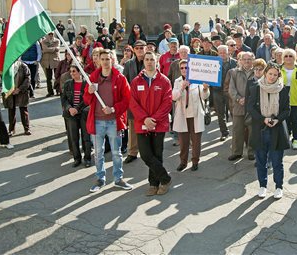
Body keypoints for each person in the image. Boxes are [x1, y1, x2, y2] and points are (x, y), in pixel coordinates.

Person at [84, 49, 133, 193]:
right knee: (98, 153)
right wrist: (89, 92)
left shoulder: (120, 78)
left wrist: (113, 109)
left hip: (113, 121)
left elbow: (127, 99)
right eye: (103, 59)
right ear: (98, 60)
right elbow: (86, 101)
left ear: (112, 60)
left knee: (116, 153)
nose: (105, 62)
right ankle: (100, 179)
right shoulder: (93, 78)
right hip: (97, 121)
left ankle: (118, 179)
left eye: (108, 59)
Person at [129, 51, 173, 196]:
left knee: (157, 154)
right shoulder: (136, 81)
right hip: (142, 124)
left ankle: (154, 184)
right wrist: (145, 119)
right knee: (146, 155)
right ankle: (165, 178)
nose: (149, 62)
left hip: (158, 124)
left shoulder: (164, 81)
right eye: (147, 59)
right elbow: (133, 103)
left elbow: (167, 103)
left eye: (152, 60)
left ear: (157, 62)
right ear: (144, 62)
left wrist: (153, 119)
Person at [247, 63, 290, 199]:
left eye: (275, 75)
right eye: (270, 74)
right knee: (261, 160)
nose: (272, 77)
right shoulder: (256, 87)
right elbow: (251, 107)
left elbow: (287, 110)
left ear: (279, 76)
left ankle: (278, 187)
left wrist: (277, 119)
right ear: (265, 73)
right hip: (261, 128)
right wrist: (262, 119)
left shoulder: (283, 89)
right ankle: (262, 186)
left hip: (277, 129)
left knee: (277, 161)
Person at [172, 60, 210, 171]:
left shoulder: (198, 80)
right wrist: (182, 87)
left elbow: (204, 96)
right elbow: (174, 97)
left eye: (186, 68)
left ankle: (195, 161)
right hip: (183, 116)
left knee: (196, 141)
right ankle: (183, 162)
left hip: (195, 115)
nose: (184, 70)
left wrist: (205, 88)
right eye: (182, 68)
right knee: (183, 142)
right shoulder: (178, 81)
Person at [61, 65, 92, 167]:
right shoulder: (68, 84)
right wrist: (70, 108)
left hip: (83, 113)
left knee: (86, 137)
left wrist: (77, 109)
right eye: (70, 71)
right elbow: (64, 99)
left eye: (74, 71)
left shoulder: (87, 83)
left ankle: (87, 158)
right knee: (73, 138)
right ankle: (76, 158)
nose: (72, 73)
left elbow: (87, 100)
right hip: (71, 114)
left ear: (80, 72)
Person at [227, 51, 255, 160]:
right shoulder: (234, 72)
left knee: (252, 130)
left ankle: (252, 152)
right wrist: (238, 98)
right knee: (237, 130)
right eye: (245, 59)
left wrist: (249, 100)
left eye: (249, 59)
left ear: (253, 60)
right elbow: (231, 89)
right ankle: (237, 152)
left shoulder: (257, 72)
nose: (247, 61)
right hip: (238, 105)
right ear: (241, 60)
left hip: (252, 107)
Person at [280, 49, 297, 150]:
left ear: (294, 57)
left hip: (296, 100)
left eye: (290, 56)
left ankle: (295, 140)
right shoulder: (279, 69)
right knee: (284, 121)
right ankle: (285, 139)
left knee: (295, 121)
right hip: (281, 101)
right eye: (286, 56)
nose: (288, 58)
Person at [212, 45, 236, 141]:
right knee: (220, 114)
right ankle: (224, 132)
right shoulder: (213, 63)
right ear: (218, 53)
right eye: (220, 52)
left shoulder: (234, 63)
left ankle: (236, 132)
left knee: (234, 113)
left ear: (228, 52)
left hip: (230, 92)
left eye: (224, 52)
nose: (222, 54)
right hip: (217, 91)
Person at [5, 60, 31, 136]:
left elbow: (27, 78)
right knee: (11, 111)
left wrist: (19, 89)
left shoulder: (23, 66)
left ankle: (27, 128)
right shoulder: (6, 66)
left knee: (23, 110)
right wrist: (8, 89)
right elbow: (3, 78)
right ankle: (11, 129)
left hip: (21, 91)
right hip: (10, 91)